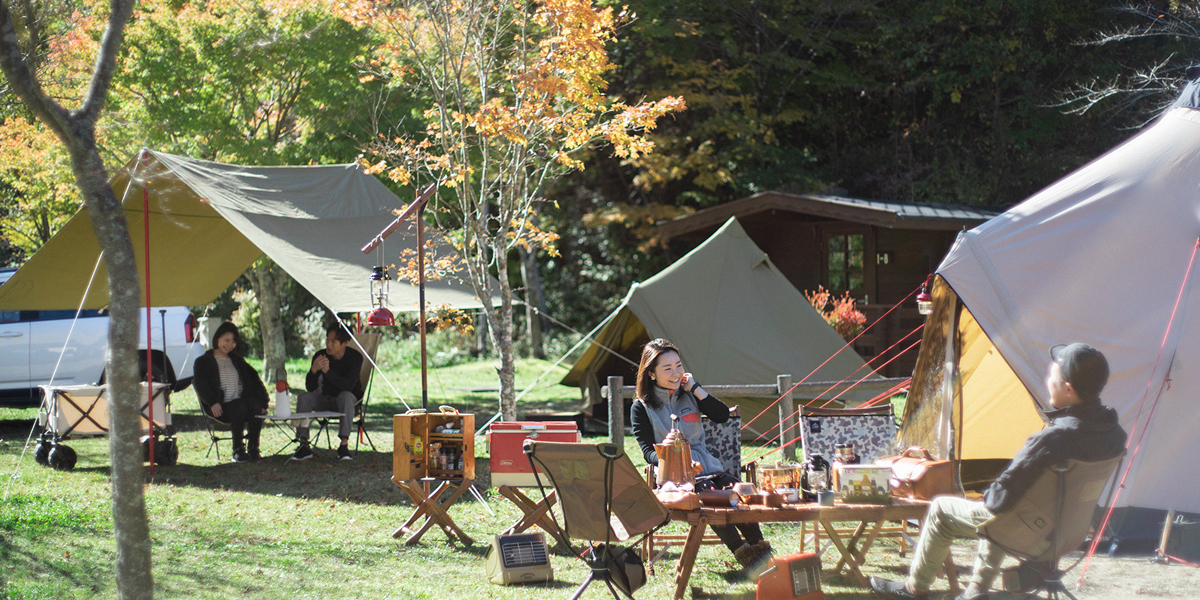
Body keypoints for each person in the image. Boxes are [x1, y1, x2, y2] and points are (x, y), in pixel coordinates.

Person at [869, 343, 1128, 600]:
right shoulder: (1115, 435)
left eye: (1051, 376)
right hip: (1070, 533)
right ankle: (976, 592)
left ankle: (915, 589)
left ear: (1069, 389)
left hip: (1030, 533)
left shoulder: (1054, 439)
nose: (1047, 380)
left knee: (946, 510)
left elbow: (997, 501)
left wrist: (990, 491)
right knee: (1007, 511)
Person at [630, 338, 772, 570]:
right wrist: (676, 460)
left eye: (679, 365)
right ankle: (744, 555)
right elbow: (648, 452)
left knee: (738, 491)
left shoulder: (689, 395)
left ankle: (761, 549)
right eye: (667, 369)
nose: (676, 373)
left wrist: (695, 389)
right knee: (709, 497)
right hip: (673, 478)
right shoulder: (641, 407)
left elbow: (722, 415)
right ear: (652, 374)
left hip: (709, 469)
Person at [192, 322, 269, 463]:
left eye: (233, 341)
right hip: (220, 408)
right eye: (226, 340)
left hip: (243, 405)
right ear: (217, 338)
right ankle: (238, 450)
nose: (230, 344)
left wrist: (263, 402)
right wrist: (212, 402)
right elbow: (201, 385)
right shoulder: (203, 361)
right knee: (238, 405)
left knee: (254, 405)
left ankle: (253, 449)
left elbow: (255, 380)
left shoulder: (238, 361)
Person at [292, 325, 363, 462]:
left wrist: (328, 372)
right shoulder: (321, 355)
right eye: (327, 340)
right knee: (303, 397)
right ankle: (303, 444)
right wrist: (313, 371)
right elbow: (310, 388)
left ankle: (343, 445)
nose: (328, 345)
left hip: (346, 403)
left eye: (333, 342)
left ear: (345, 343)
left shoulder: (355, 358)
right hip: (324, 399)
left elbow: (347, 386)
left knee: (346, 396)